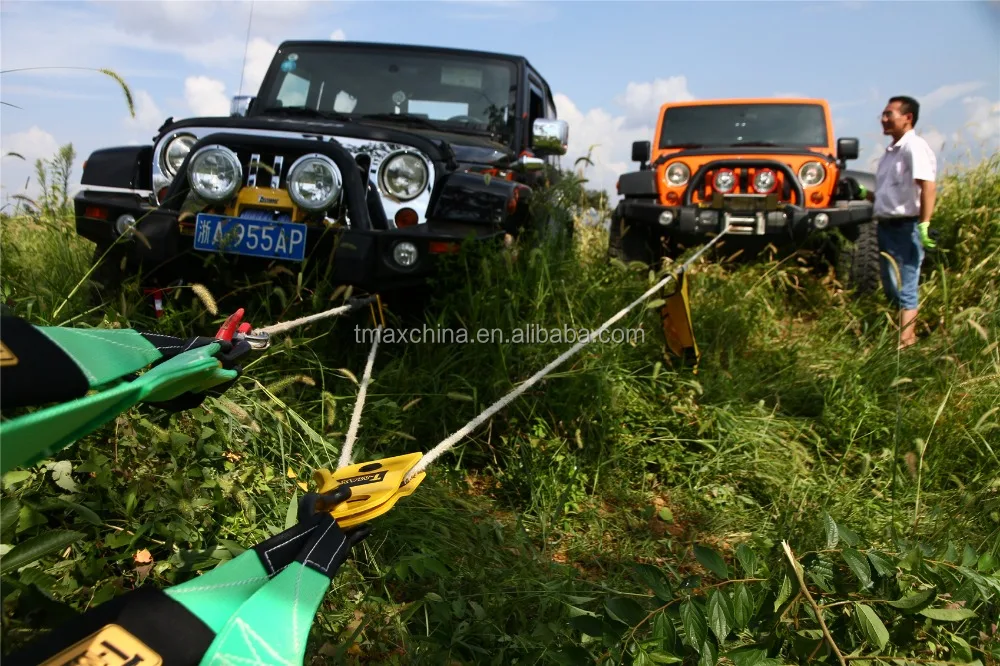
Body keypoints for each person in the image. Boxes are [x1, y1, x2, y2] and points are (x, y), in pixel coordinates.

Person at [862, 95, 938, 349]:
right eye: (882, 115)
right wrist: (865, 194)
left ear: (908, 118)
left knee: (905, 284)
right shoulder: (890, 153)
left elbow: (927, 185)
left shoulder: (913, 147)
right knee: (891, 285)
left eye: (889, 114)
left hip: (906, 227)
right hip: (886, 226)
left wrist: (924, 223)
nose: (883, 119)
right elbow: (888, 194)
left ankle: (906, 342)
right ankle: (905, 331)